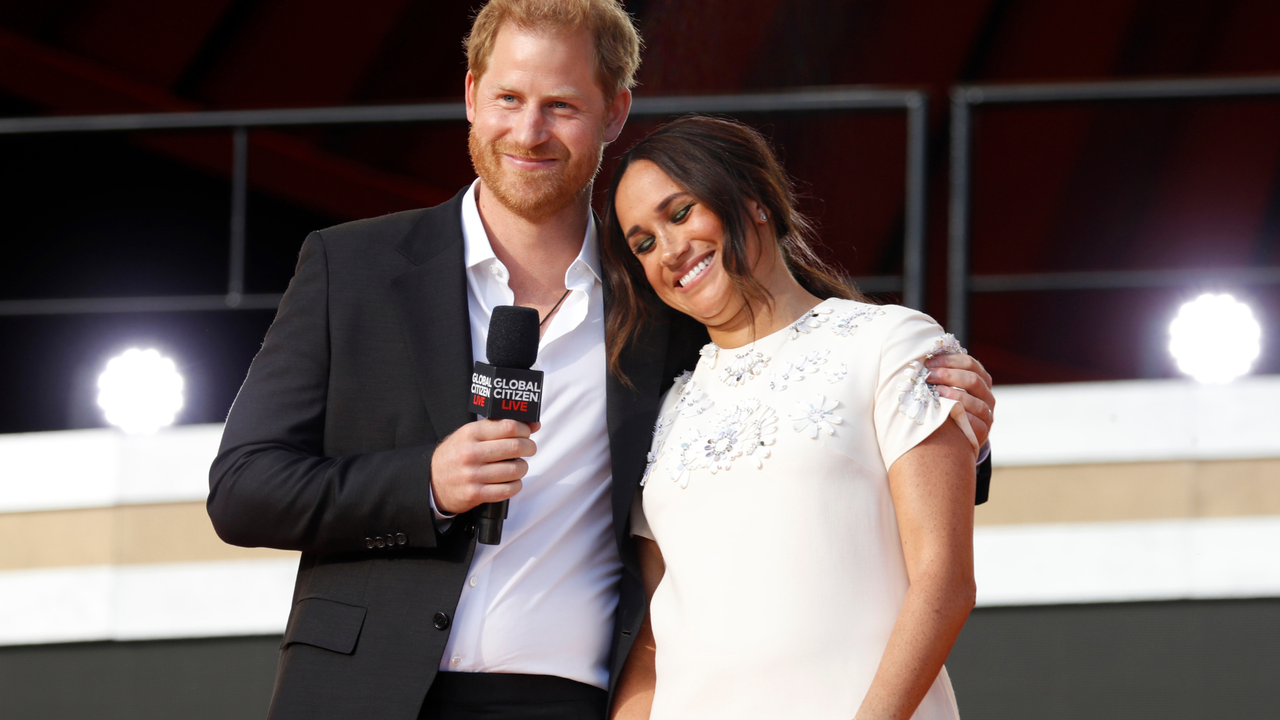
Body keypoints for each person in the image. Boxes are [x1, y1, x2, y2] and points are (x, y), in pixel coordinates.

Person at [207, 2, 996, 719]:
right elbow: (243, 490)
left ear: (614, 113)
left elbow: (792, 380)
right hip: (363, 693)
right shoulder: (354, 266)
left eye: (562, 106)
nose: (529, 131)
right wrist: (425, 483)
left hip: (571, 703)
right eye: (510, 99)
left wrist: (956, 423)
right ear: (473, 94)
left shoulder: (662, 295)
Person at [603, 115, 979, 720]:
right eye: (643, 243)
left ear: (753, 201)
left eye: (680, 213)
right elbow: (651, 640)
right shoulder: (665, 408)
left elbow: (944, 582)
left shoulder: (890, 342)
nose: (669, 250)